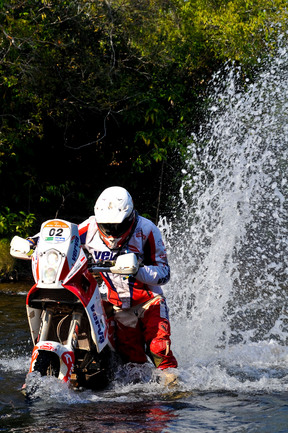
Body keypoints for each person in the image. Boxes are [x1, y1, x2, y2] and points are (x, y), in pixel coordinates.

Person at [78, 186, 178, 372]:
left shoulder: (147, 230)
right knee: (133, 365)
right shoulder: (89, 228)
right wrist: (33, 242)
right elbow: (66, 236)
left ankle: (172, 391)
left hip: (150, 302)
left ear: (130, 217)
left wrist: (137, 270)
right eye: (107, 225)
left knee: (159, 349)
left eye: (117, 225)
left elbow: (164, 273)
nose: (112, 231)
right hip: (118, 305)